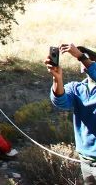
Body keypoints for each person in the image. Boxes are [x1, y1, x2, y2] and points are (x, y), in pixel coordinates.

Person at [46, 43, 96, 184]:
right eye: (85, 59)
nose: (87, 62)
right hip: (86, 160)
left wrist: (80, 56)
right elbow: (60, 101)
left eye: (91, 58)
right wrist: (57, 78)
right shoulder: (76, 88)